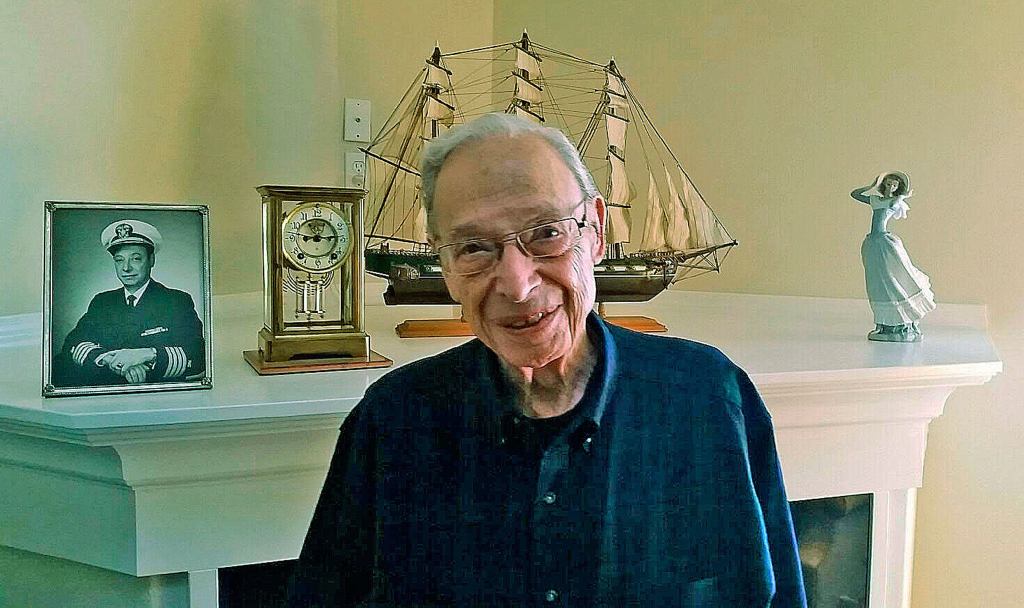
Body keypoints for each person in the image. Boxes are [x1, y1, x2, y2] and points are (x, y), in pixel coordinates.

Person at [288, 113, 805, 607]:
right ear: (444, 264)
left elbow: (775, 593)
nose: (517, 285)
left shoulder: (709, 397)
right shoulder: (394, 416)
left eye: (546, 233)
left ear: (595, 230)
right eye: (473, 248)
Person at [55, 219, 205, 387]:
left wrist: (147, 355)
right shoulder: (102, 302)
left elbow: (198, 356)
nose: (126, 268)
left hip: (157, 396)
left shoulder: (176, 301)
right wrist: (109, 360)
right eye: (119, 260)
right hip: (106, 394)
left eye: (135, 259)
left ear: (151, 260)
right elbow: (72, 345)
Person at [850, 171, 935, 342]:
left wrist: (902, 195)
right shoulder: (875, 200)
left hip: (884, 242)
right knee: (877, 282)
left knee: (893, 276)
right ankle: (884, 323)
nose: (891, 187)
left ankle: (903, 319)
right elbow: (855, 194)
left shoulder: (893, 202)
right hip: (873, 242)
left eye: (894, 185)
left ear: (898, 188)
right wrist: (872, 185)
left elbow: (896, 202)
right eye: (888, 184)